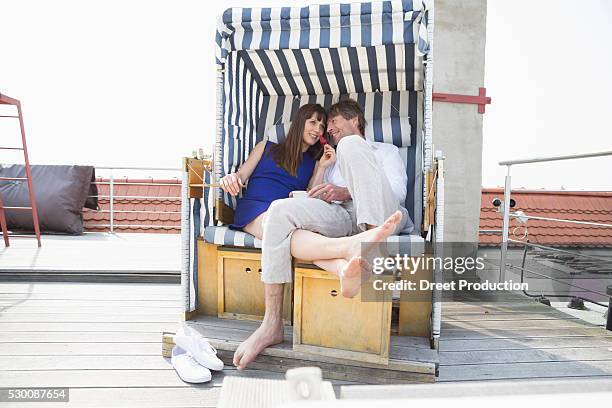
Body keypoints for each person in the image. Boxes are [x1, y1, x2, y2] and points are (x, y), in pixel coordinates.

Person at [232, 98, 414, 370]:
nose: (328, 129)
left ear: (354, 120)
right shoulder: (332, 157)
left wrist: (346, 191)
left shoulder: (385, 151)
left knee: (352, 145)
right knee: (280, 210)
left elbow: (397, 195)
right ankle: (271, 324)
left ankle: (366, 243)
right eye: (326, 125)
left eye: (333, 122)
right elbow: (316, 195)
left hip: (383, 215)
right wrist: (322, 180)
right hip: (340, 214)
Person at [219, 103, 328, 238]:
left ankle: (347, 253)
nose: (318, 129)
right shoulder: (265, 147)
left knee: (293, 233)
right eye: (313, 122)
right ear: (299, 123)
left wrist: (322, 167)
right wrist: (230, 178)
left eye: (322, 126)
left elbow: (311, 199)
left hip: (287, 214)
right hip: (255, 211)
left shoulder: (315, 164)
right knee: (282, 231)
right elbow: (240, 175)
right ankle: (350, 248)